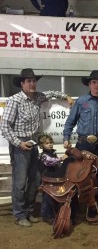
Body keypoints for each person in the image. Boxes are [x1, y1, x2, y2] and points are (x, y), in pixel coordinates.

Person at [0, 68, 73, 227]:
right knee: (20, 182)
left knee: (35, 180)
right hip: (20, 145)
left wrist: (66, 96)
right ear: (22, 84)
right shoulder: (15, 100)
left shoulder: (38, 97)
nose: (32, 84)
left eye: (34, 81)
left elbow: (52, 92)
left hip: (33, 145)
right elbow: (4, 125)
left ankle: (28, 211)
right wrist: (19, 143)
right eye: (29, 81)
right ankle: (20, 214)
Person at [63, 70, 98, 219]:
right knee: (77, 176)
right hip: (82, 144)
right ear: (89, 84)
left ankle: (95, 209)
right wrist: (66, 138)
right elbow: (70, 121)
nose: (96, 85)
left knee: (97, 177)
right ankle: (73, 211)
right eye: (93, 82)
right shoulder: (81, 101)